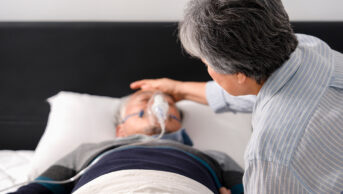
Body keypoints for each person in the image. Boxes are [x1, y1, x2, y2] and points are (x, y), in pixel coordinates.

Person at [130, 0, 343, 193]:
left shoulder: (270, 157)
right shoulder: (310, 48)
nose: (207, 69)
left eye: (206, 64)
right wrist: (180, 89)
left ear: (239, 75)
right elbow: (265, 91)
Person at [10, 90, 243, 194]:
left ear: (180, 124)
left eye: (168, 103)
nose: (156, 104)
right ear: (120, 128)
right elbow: (41, 188)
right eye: (144, 100)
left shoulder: (216, 157)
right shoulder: (88, 152)